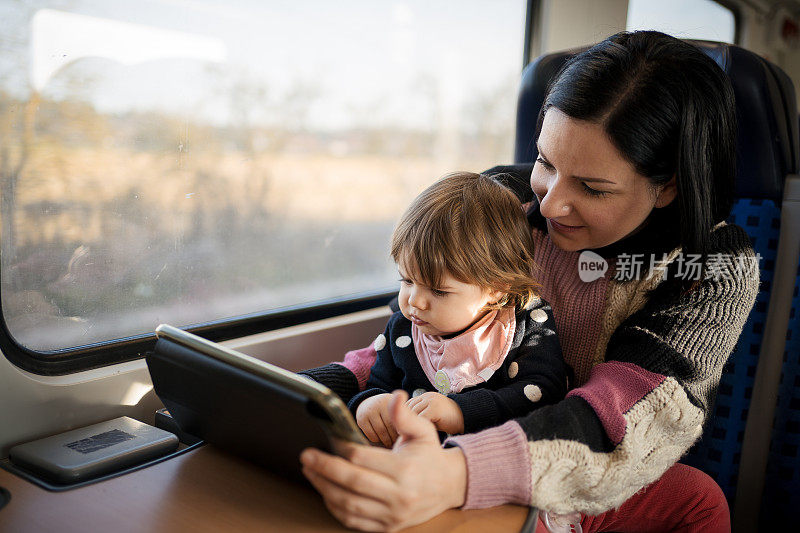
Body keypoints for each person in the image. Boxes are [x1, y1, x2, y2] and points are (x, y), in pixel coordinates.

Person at [299, 31, 758, 533]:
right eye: (545, 162)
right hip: (453, 440)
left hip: (564, 462)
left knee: (698, 500)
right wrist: (309, 396)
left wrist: (456, 472)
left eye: (592, 188)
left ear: (667, 185)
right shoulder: (503, 200)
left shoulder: (711, 266)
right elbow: (415, 338)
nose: (549, 204)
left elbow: (630, 417)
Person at [304, 172, 568, 447]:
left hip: (477, 464)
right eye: (407, 280)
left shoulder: (527, 326)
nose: (414, 301)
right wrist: (369, 404)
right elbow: (378, 383)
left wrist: (461, 411)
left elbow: (543, 393)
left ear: (496, 289)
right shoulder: (403, 329)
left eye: (438, 291)